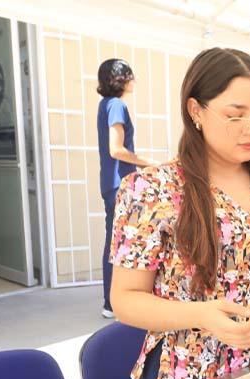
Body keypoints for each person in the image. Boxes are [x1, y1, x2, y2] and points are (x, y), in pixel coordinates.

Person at [109, 48, 250, 379]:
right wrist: (201, 314)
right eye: (235, 115)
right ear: (195, 110)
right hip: (190, 377)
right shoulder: (152, 188)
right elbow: (125, 299)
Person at [96, 59, 157, 319]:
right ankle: (113, 303)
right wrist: (150, 163)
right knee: (120, 244)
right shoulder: (117, 105)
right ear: (121, 78)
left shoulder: (106, 105)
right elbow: (116, 149)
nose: (134, 80)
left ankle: (110, 302)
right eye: (131, 75)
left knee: (114, 241)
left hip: (111, 184)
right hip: (120, 185)